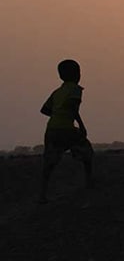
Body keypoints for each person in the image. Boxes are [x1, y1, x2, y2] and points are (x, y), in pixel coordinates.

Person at [39, 59, 94, 203]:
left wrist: (58, 114)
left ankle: (42, 194)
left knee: (49, 163)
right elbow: (73, 108)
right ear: (76, 74)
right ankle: (89, 182)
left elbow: (45, 110)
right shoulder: (76, 89)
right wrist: (81, 125)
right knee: (87, 152)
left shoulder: (57, 92)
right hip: (67, 129)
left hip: (51, 129)